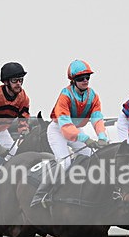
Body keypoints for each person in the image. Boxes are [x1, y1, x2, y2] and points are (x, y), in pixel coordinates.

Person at [30, 59, 109, 208]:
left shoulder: (93, 96)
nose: (85, 81)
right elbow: (65, 125)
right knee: (64, 163)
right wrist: (86, 139)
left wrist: (102, 137)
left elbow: (97, 118)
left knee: (91, 159)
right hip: (58, 129)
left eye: (87, 77)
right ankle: (42, 195)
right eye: (81, 78)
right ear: (73, 80)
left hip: (76, 129)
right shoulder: (65, 96)